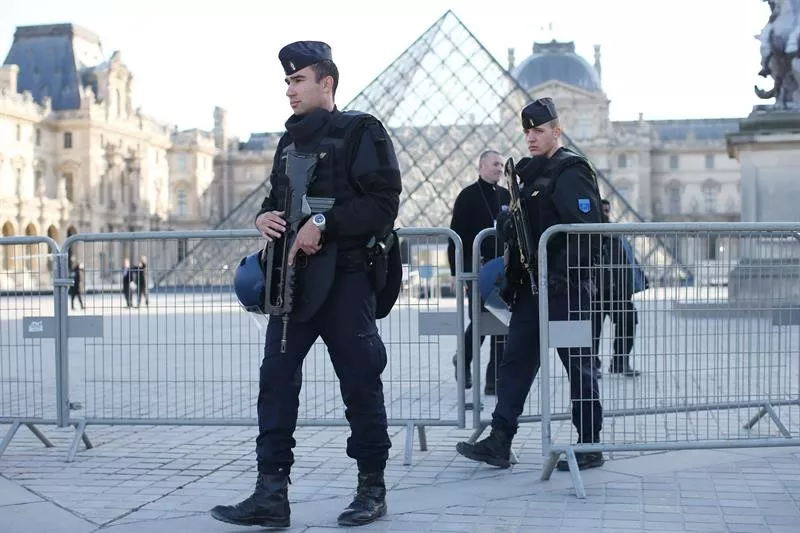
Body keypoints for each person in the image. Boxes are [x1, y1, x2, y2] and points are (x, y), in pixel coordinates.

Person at [210, 40, 402, 528]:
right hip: (290, 280)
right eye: (288, 82)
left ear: (327, 83)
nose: (290, 90)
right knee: (275, 381)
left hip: (347, 279)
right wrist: (264, 218)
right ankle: (270, 493)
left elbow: (383, 206)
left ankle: (371, 488)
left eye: (299, 80)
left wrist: (324, 222)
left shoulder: (363, 131)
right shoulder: (288, 142)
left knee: (360, 381)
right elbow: (277, 198)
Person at [455, 97, 605, 472]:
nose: (531, 137)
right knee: (515, 363)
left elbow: (586, 233)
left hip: (565, 288)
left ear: (557, 130)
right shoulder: (528, 175)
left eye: (538, 130)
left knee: (579, 367)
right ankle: (500, 441)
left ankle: (589, 444)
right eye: (527, 131)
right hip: (530, 287)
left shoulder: (570, 170)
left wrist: (560, 272)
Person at [446, 150, 510, 394]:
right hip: (477, 269)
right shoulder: (468, 196)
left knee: (502, 321)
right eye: (495, 163)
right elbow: (455, 237)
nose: (499, 168)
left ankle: (494, 380)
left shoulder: (506, 195)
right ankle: (463, 359)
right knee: (483, 319)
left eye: (502, 164)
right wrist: (455, 271)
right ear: (481, 166)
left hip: (504, 269)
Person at [592, 199, 644, 377]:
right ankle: (591, 364)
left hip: (618, 293)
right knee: (591, 328)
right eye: (602, 210)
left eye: (607, 210)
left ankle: (620, 362)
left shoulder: (617, 236)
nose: (606, 214)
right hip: (594, 294)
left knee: (629, 319)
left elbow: (628, 262)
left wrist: (629, 289)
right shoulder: (588, 234)